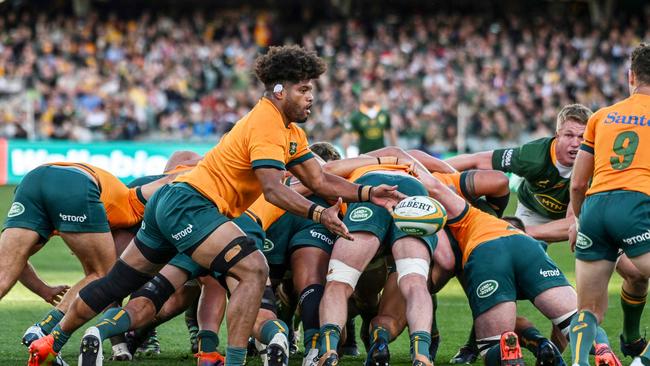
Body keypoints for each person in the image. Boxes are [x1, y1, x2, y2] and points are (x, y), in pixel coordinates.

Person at [27, 45, 404, 366]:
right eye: (304, 89)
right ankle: (234, 358)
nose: (311, 97)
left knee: (117, 283)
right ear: (278, 90)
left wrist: (370, 194)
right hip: (191, 205)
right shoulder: (266, 124)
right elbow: (273, 190)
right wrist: (319, 213)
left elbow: (319, 180)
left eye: (312, 89)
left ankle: (50, 343)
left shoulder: (290, 131)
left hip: (175, 202)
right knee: (254, 271)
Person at [569, 43, 650, 366]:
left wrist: (578, 220)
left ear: (630, 76)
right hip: (636, 206)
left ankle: (578, 362)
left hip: (594, 208)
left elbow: (577, 183)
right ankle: (642, 362)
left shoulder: (601, 116)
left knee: (588, 309)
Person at [316, 161, 437, 366]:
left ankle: (328, 350)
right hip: (415, 193)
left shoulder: (352, 167)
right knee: (415, 281)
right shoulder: (412, 166)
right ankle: (421, 354)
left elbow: (321, 176)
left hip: (369, 188)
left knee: (339, 281)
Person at [343, 89, 397, 155]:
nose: (371, 98)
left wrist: (395, 149)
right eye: (368, 96)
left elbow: (391, 130)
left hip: (382, 154)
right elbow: (347, 134)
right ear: (363, 97)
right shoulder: (356, 116)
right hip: (364, 154)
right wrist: (345, 153)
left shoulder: (384, 113)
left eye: (373, 95)